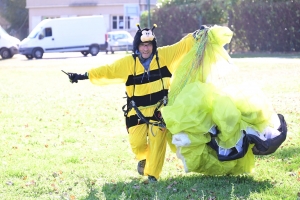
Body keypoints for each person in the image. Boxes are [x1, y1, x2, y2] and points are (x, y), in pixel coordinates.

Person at [65, 23, 200, 182]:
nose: (146, 49)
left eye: (149, 45)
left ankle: (152, 175)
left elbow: (182, 46)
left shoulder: (164, 56)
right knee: (137, 144)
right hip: (136, 111)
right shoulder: (128, 63)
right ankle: (143, 158)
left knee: (157, 144)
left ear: (153, 45)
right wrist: (83, 76)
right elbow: (108, 70)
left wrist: (197, 35)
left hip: (160, 110)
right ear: (137, 46)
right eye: (142, 45)